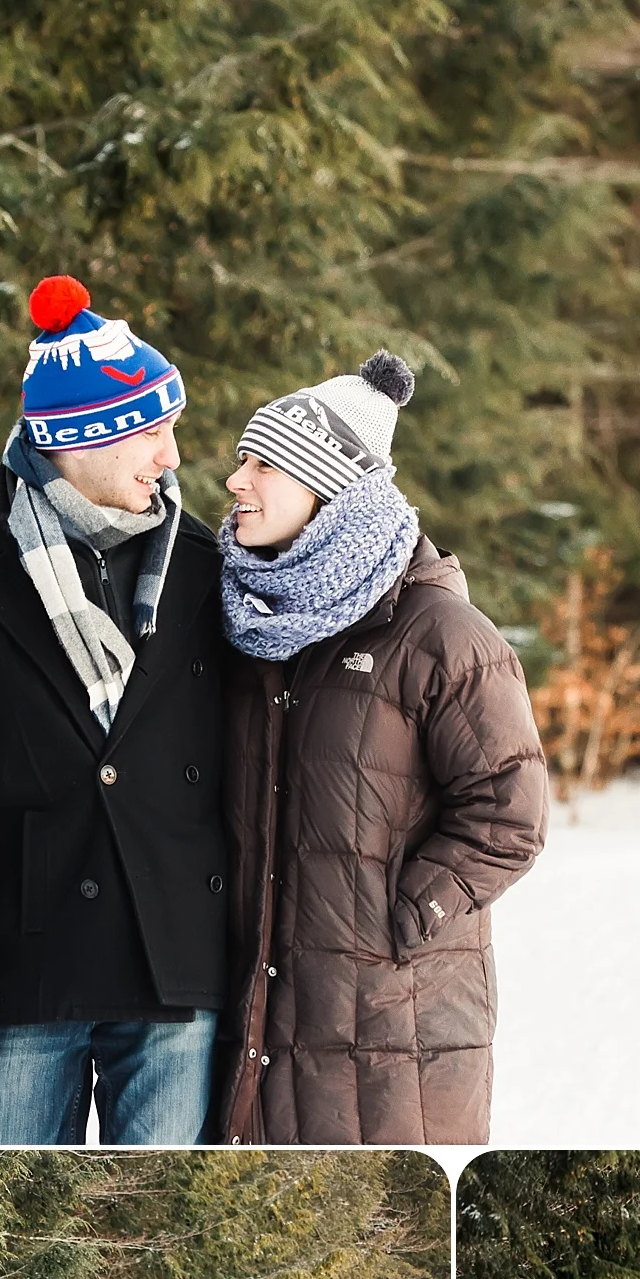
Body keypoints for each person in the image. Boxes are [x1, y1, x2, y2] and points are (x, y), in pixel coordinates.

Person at [0, 276, 229, 1146]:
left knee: (159, 1232)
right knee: (10, 1235)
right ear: (82, 439)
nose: (171, 457)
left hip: (177, 968)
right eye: (153, 430)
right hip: (25, 971)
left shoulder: (208, 571)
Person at [216, 351, 548, 1146]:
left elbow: (510, 813)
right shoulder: (249, 628)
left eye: (265, 465)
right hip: (264, 1020)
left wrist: (401, 916)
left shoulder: (442, 637)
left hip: (401, 1031)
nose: (236, 482)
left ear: (328, 491)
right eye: (241, 460)